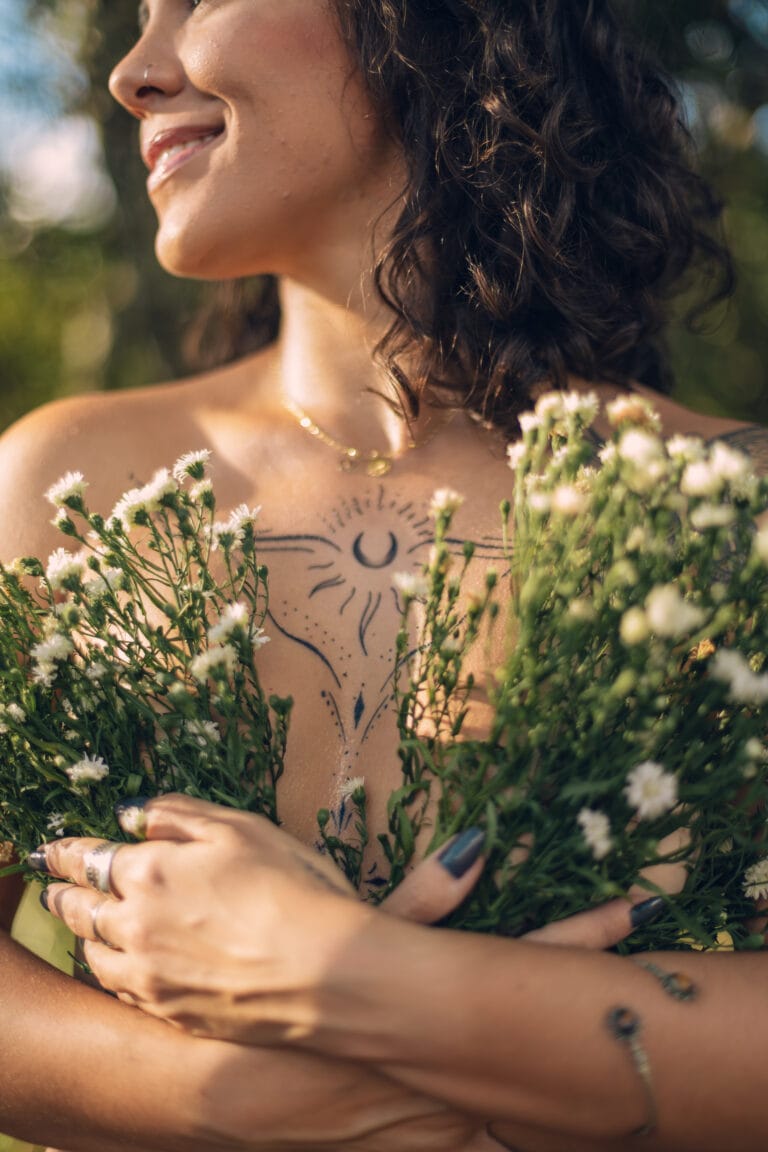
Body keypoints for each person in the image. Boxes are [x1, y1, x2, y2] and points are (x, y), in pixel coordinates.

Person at [1, 1, 767, 1150]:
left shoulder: (729, 511)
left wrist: (347, 979)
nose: (134, 73)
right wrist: (244, 1105)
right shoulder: (68, 484)